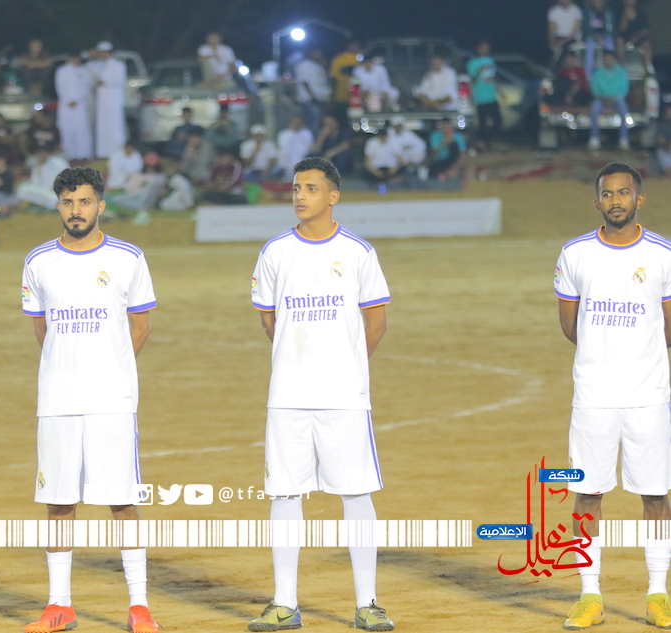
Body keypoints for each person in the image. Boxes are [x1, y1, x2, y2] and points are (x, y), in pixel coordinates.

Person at [248, 155, 394, 633]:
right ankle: (284, 602)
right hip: (288, 394)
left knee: (355, 492)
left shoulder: (357, 252)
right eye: (296, 188)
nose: (300, 196)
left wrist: (345, 365)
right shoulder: (275, 252)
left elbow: (376, 321)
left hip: (344, 396)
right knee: (285, 493)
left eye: (311, 188)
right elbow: (269, 319)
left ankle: (368, 603)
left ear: (333, 196)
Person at [20, 166, 159, 633]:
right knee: (58, 501)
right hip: (57, 400)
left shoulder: (128, 258)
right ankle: (59, 605)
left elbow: (140, 325)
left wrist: (110, 367)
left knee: (122, 499)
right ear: (58, 206)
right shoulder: (38, 261)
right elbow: (42, 329)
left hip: (111, 399)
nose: (75, 210)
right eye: (67, 202)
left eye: (83, 202)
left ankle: (139, 606)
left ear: (100, 205)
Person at [554, 162, 671, 630]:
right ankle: (590, 595)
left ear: (639, 199)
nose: (615, 201)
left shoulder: (663, 254)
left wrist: (641, 359)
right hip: (594, 395)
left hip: (648, 395)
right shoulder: (575, 254)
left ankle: (658, 592)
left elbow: (669, 326)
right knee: (587, 494)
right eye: (608, 194)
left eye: (624, 193)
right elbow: (571, 326)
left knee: (656, 494)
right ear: (597, 201)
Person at [589, 49, 630, 151]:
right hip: (601, 99)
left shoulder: (622, 73)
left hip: (617, 99)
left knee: (624, 110)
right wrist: (602, 97)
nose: (608, 61)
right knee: (594, 109)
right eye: (606, 59)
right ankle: (594, 138)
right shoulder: (598, 73)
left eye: (610, 59)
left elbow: (624, 88)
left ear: (614, 60)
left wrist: (615, 97)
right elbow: (594, 88)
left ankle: (624, 139)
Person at [55, 53, 93, 161]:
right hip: (66, 105)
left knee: (81, 129)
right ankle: (69, 154)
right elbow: (59, 86)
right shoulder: (62, 70)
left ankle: (82, 154)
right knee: (66, 129)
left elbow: (86, 87)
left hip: (80, 105)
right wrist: (67, 100)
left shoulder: (83, 71)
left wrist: (77, 100)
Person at [93, 42, 127, 159]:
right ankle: (104, 152)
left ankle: (116, 150)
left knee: (114, 125)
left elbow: (118, 80)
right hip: (102, 99)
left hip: (113, 98)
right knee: (103, 125)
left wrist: (104, 81)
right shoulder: (100, 65)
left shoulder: (118, 65)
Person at [467, 41, 501, 150]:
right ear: (478, 49)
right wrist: (479, 71)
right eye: (483, 47)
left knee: (497, 121)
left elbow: (493, 77)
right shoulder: (473, 62)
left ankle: (486, 139)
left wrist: (499, 90)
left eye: (487, 48)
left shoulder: (491, 60)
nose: (485, 50)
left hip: (491, 96)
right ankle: (485, 144)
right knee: (483, 123)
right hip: (480, 97)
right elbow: (472, 79)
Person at [295, 50, 331, 135]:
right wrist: (313, 97)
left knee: (318, 125)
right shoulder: (304, 65)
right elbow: (304, 82)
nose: (319, 55)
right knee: (312, 125)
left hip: (320, 100)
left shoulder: (318, 66)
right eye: (317, 53)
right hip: (309, 100)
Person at [330, 41, 362, 119]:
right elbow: (334, 77)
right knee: (342, 118)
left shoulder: (360, 58)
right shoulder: (340, 59)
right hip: (342, 95)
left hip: (357, 96)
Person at [276, 116, 314, 182]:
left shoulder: (307, 134)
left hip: (303, 161)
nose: (296, 125)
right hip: (287, 163)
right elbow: (283, 148)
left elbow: (308, 148)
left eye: (298, 123)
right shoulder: (283, 134)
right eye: (295, 123)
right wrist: (293, 133)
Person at [616, 0, 651, 71]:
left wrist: (636, 37)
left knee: (646, 44)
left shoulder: (641, 11)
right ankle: (622, 66)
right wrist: (625, 14)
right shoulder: (620, 11)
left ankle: (648, 67)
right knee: (619, 41)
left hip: (639, 37)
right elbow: (621, 29)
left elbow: (645, 29)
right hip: (625, 38)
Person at [583, 0, 616, 75]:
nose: (597, 3)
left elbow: (611, 29)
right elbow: (586, 28)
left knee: (610, 46)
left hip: (606, 36)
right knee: (590, 47)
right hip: (591, 36)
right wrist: (594, 36)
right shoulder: (588, 12)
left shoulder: (609, 12)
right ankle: (588, 74)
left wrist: (603, 36)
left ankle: (610, 71)